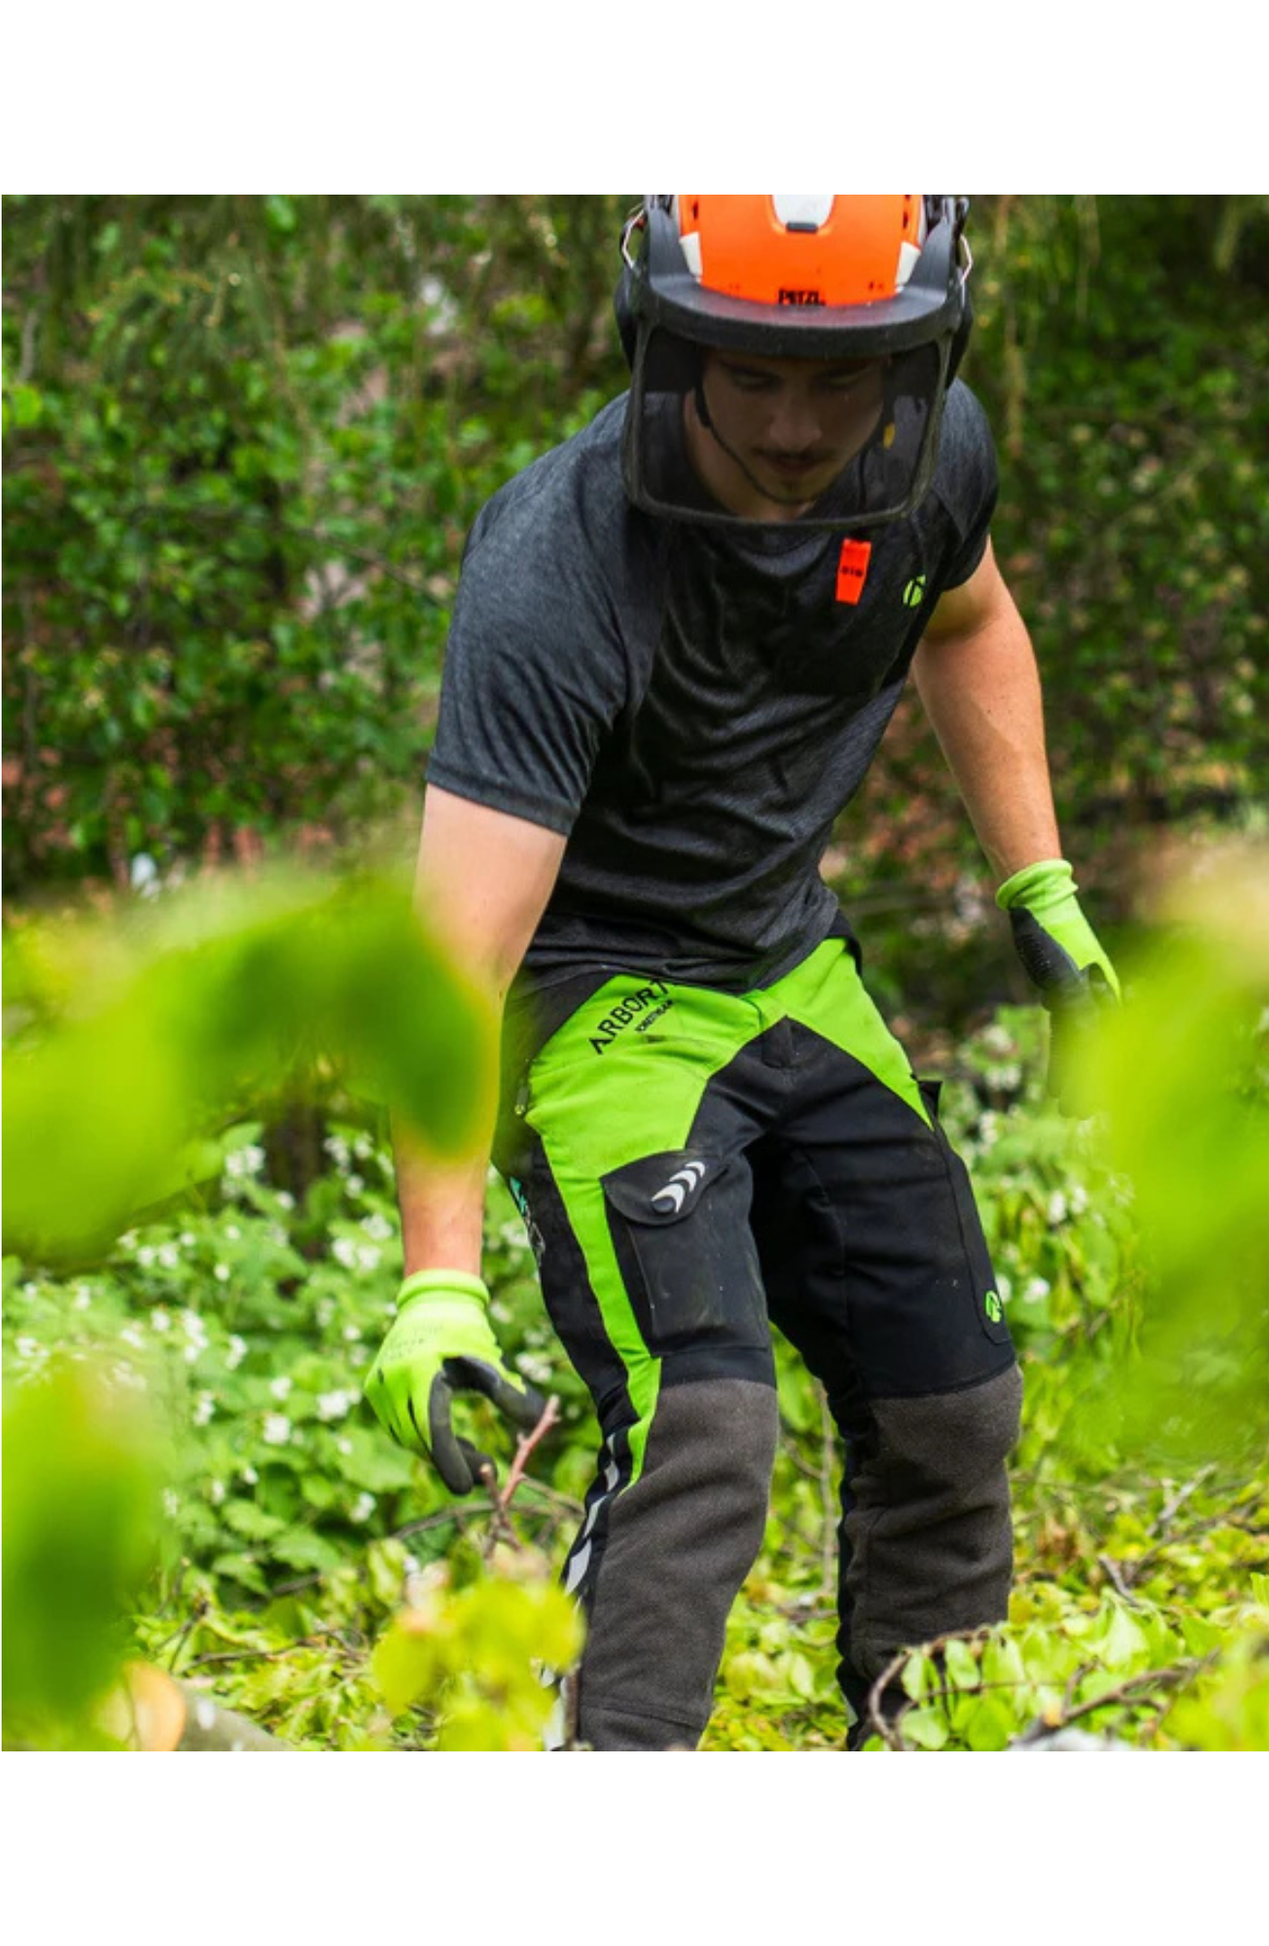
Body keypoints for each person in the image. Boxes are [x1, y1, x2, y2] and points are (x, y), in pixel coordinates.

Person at [362, 195, 1118, 1751]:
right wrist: (434, 1283)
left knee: (952, 1395)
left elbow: (966, 619)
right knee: (705, 1425)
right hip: (594, 994)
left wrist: (1036, 884)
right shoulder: (561, 565)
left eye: (840, 377)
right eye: (746, 369)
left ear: (912, 361)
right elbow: (452, 960)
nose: (792, 422)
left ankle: (927, 1744)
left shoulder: (931, 462)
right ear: (669, 344)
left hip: (787, 961)